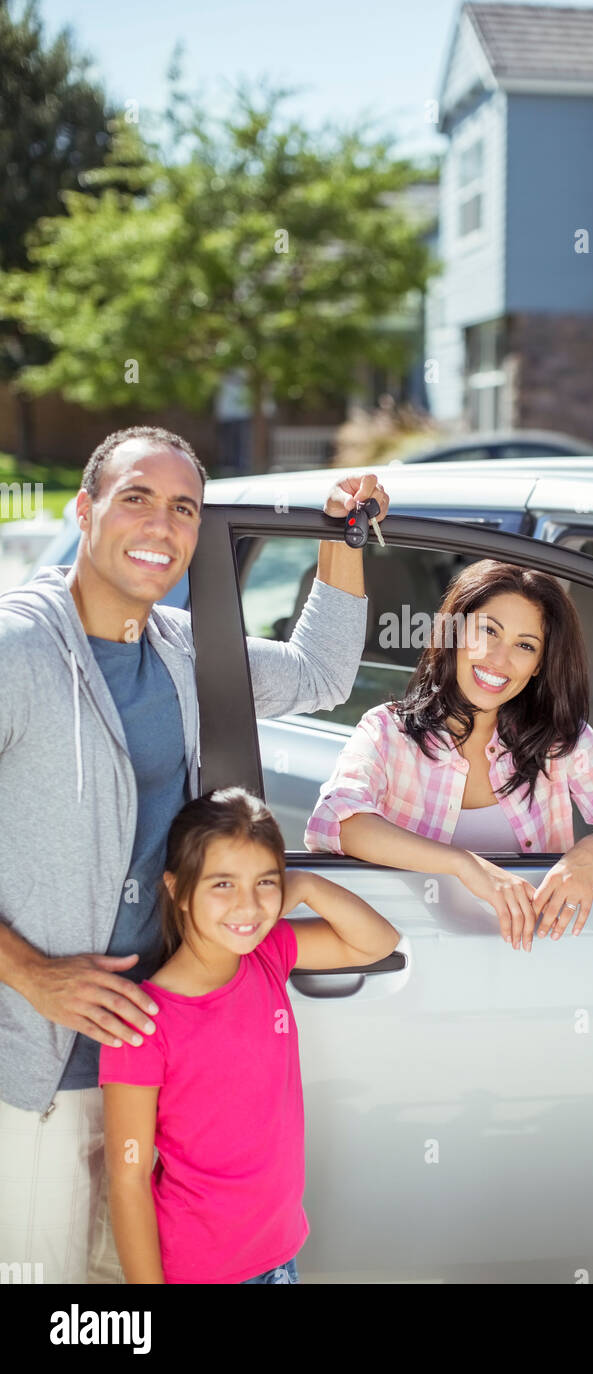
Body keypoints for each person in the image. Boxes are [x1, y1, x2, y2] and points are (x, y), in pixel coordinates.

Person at [0, 425, 389, 1284]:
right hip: (39, 1069)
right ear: (84, 508)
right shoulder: (18, 650)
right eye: (135, 496)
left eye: (184, 507)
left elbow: (321, 675)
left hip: (158, 1067)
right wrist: (29, 971)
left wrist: (346, 534)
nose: (161, 524)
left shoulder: (178, 650)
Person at [99, 786, 399, 1285]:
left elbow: (377, 942)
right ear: (177, 889)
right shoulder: (143, 1023)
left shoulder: (267, 955)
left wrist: (302, 886)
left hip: (280, 1256)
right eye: (222, 885)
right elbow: (127, 1177)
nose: (248, 905)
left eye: (264, 882)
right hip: (200, 1272)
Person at [305, 560, 593, 950]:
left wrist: (592, 853)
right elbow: (337, 821)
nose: (499, 659)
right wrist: (464, 865)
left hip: (534, 961)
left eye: (525, 645)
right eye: (488, 632)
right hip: (416, 961)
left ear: (537, 667)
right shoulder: (387, 732)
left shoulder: (557, 739)